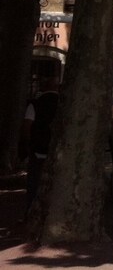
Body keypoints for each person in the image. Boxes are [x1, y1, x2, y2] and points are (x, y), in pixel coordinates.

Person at [21, 74, 60, 215]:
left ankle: (31, 211)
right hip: (57, 150)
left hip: (38, 148)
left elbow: (27, 126)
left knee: (34, 182)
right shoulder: (63, 104)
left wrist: (29, 144)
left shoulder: (35, 104)